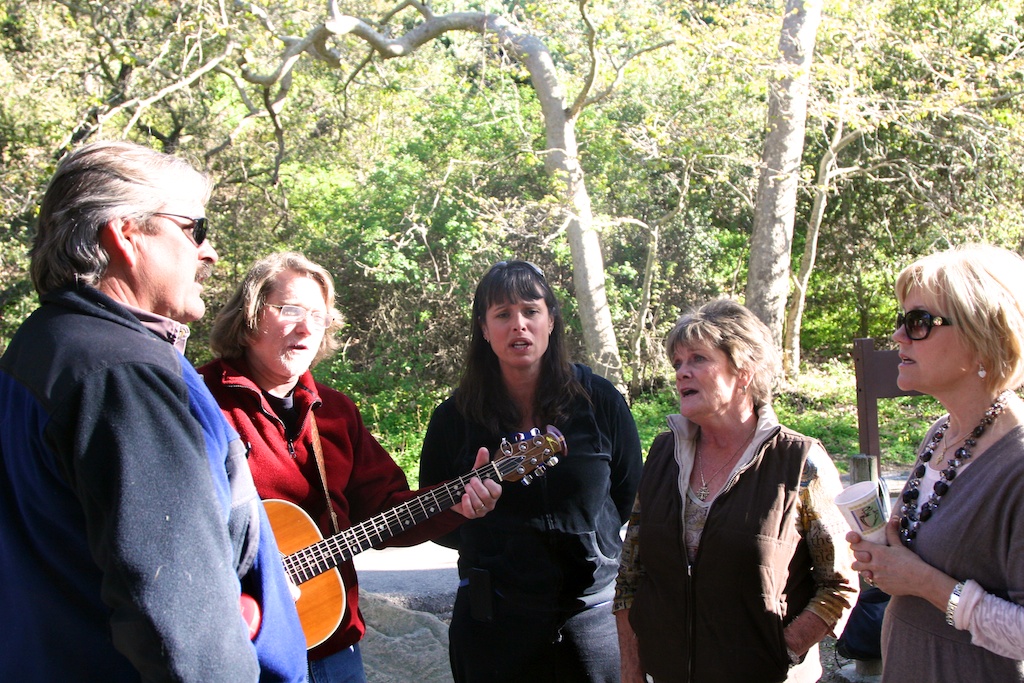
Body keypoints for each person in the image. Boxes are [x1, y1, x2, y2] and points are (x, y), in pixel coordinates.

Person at [0, 141, 306, 681]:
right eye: (194, 230)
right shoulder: (122, 374)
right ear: (125, 234)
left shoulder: (41, 348)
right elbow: (181, 627)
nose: (209, 253)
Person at [199, 251, 501, 683]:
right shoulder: (199, 401)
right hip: (237, 649)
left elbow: (385, 511)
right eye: (290, 310)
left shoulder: (336, 412)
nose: (306, 328)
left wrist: (456, 504)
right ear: (249, 317)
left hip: (332, 642)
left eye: (317, 317)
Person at [417, 259, 643, 683]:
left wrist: (592, 543)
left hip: (592, 615)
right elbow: (434, 519)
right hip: (493, 623)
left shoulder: (599, 401)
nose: (518, 324)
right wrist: (468, 515)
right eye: (502, 314)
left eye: (530, 311)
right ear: (484, 329)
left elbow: (627, 493)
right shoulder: (453, 418)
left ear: (551, 321)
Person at [614, 297, 858, 683]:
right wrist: (631, 668)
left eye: (697, 359)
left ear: (743, 371)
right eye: (677, 363)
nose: (682, 373)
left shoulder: (800, 462)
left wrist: (782, 652)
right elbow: (631, 575)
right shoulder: (663, 455)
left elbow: (840, 584)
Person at [848, 244, 1024, 681]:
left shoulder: (1017, 463)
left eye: (919, 322)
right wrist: (886, 560)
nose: (898, 336)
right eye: (901, 320)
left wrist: (924, 583)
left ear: (986, 338)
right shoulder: (943, 433)